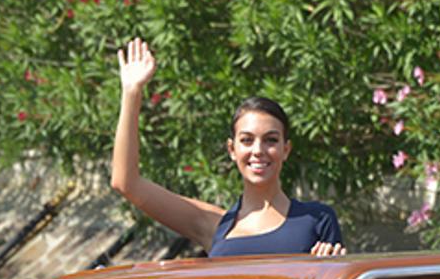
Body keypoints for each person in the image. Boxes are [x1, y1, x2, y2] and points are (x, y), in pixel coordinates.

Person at [110, 38, 345, 257]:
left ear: (286, 149)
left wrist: (329, 266)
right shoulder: (214, 225)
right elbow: (126, 183)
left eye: (271, 140)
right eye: (247, 140)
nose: (258, 150)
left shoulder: (317, 219)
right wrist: (132, 93)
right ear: (232, 150)